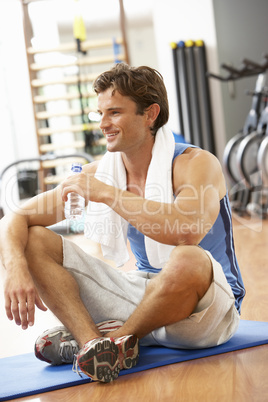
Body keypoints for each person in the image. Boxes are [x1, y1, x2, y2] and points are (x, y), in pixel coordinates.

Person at [0, 63, 245, 383]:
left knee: (187, 257)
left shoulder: (195, 164)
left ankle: (118, 340)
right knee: (32, 238)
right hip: (143, 294)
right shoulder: (101, 171)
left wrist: (107, 193)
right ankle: (93, 346)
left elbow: (187, 231)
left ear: (150, 114)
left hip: (208, 310)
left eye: (114, 112)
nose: (103, 124)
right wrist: (15, 267)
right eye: (99, 114)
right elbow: (16, 217)